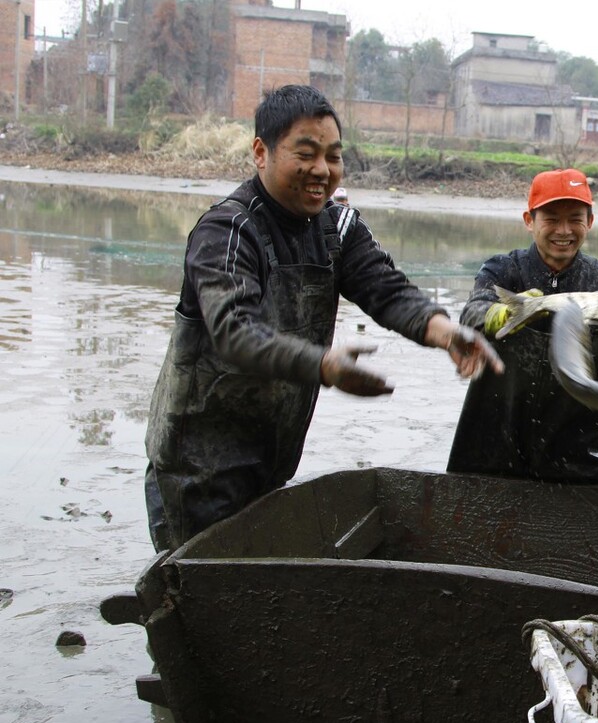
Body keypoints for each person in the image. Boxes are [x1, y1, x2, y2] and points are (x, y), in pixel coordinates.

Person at [144, 84, 502, 552]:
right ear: (261, 152)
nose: (322, 171)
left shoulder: (338, 227)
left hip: (271, 456)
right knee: (202, 594)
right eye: (306, 153)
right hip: (198, 466)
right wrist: (323, 365)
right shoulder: (227, 231)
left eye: (333, 156)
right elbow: (235, 333)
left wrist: (445, 331)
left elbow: (386, 288)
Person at [447, 168, 598, 483]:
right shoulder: (503, 270)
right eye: (551, 219)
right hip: (491, 449)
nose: (564, 230)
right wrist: (501, 316)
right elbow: (472, 313)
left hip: (577, 458)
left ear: (589, 222)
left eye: (575, 219)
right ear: (529, 220)